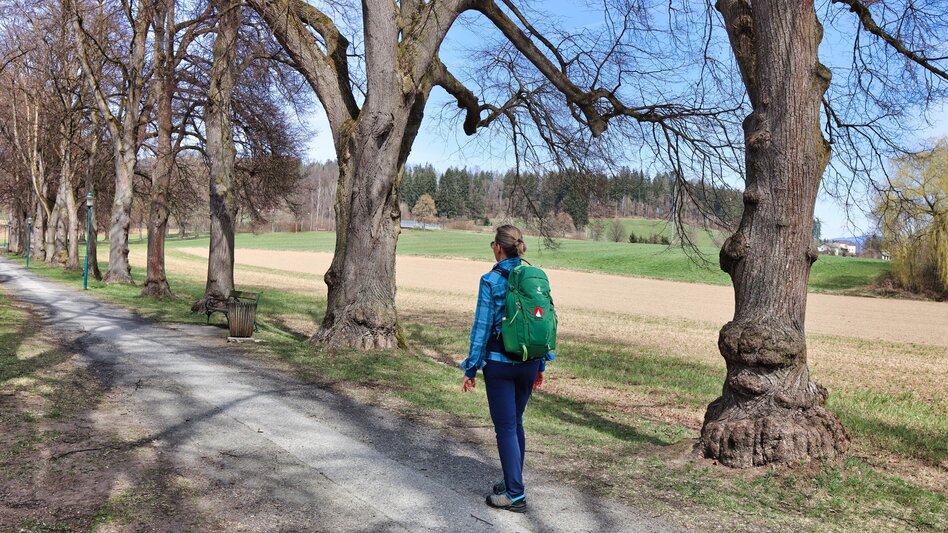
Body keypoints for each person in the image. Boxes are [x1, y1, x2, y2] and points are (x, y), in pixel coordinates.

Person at [460, 224, 553, 513]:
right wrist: (542, 363)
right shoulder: (533, 278)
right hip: (529, 362)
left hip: (499, 366)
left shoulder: (491, 279)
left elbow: (482, 327)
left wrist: (471, 367)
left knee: (505, 428)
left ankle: (514, 494)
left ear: (497, 248)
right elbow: (544, 322)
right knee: (516, 424)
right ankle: (512, 481)